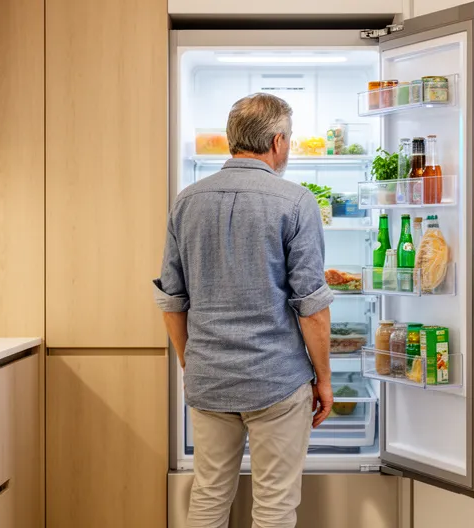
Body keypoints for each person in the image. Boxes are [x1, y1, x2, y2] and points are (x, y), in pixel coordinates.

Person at [154, 92, 333, 528]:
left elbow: (172, 300)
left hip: (209, 378)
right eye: (288, 139)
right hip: (277, 379)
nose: (288, 147)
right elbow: (311, 308)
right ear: (276, 142)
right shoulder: (296, 201)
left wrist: (190, 361)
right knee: (274, 506)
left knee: (209, 497)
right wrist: (323, 379)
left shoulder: (187, 200)